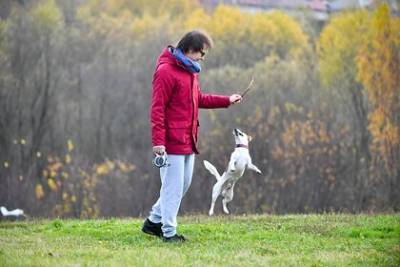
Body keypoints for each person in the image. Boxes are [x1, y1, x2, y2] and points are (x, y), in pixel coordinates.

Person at [142, 30, 242, 243]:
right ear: (189, 49)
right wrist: (158, 142)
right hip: (170, 143)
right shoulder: (165, 72)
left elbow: (199, 99)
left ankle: (153, 221)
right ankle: (168, 233)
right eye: (201, 53)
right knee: (173, 188)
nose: (202, 58)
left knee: (182, 186)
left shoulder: (190, 72)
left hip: (188, 139)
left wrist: (227, 100)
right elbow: (157, 109)